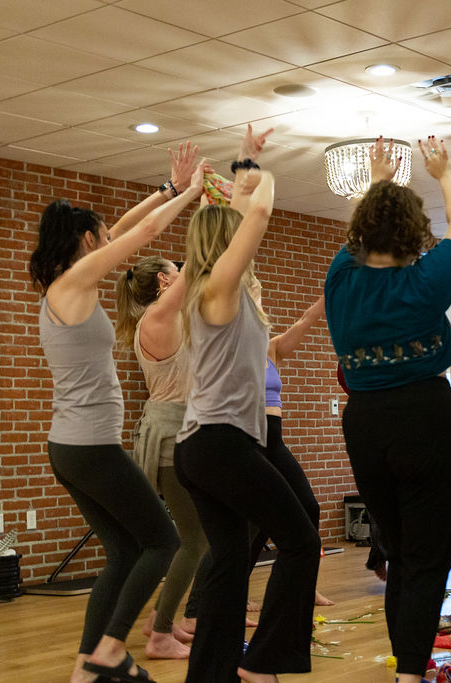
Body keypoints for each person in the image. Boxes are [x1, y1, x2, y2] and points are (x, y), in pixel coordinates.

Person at [30, 148, 204, 683]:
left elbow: (129, 226)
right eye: (102, 236)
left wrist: (169, 190)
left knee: (124, 550)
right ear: (87, 242)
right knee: (164, 541)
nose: (112, 242)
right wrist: (194, 194)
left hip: (75, 447)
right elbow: (142, 234)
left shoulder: (65, 281)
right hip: (90, 448)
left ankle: (88, 665)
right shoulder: (76, 283)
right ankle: (109, 651)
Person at [324, 136, 451, 683]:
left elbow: (353, 235)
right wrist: (443, 172)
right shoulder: (422, 282)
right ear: (413, 233)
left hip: (364, 424)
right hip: (425, 419)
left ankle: (404, 669)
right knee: (429, 560)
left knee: (401, 555)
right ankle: (410, 674)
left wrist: (379, 181)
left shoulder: (339, 281)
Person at [174, 125, 321, 683]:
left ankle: (210, 674)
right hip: (218, 443)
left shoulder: (222, 292)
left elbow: (240, 213)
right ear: (223, 245)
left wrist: (245, 160)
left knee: (232, 558)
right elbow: (254, 217)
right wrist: (266, 178)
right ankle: (262, 664)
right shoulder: (216, 291)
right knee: (303, 540)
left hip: (205, 445)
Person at [116, 254, 206, 660]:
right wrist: (210, 200)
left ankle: (158, 620)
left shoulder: (164, 318)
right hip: (170, 434)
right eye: (175, 268)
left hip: (180, 431)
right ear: (165, 283)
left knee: (192, 537)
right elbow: (199, 262)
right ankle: (160, 634)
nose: (181, 272)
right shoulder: (156, 318)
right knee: (192, 539)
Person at [247, 295, 333, 606]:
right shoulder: (231, 351)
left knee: (308, 507)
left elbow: (304, 322)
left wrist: (321, 305)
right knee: (257, 521)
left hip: (275, 442)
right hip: (251, 442)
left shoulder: (270, 348)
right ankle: (238, 590)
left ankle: (303, 584)